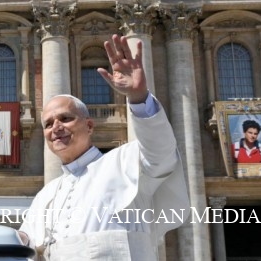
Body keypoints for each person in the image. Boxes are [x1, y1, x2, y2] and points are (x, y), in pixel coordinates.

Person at [18, 34, 189, 261]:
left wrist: (139, 97)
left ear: (89, 126)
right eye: (48, 124)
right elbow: (23, 246)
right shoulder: (45, 196)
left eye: (65, 118)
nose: (56, 127)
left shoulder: (125, 163)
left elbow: (161, 152)